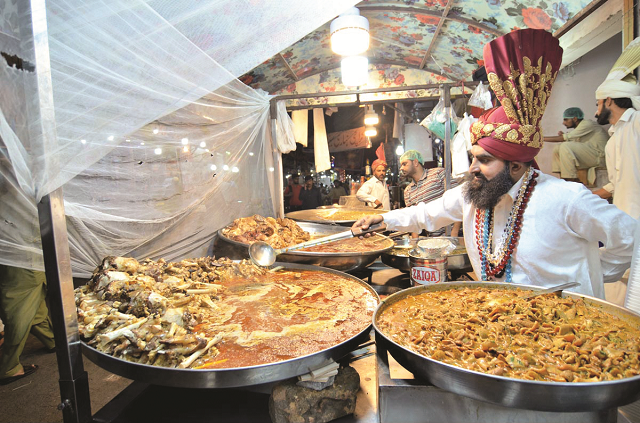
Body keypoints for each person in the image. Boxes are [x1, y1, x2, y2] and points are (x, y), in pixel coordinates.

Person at [351, 28, 635, 299]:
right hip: (497, 321)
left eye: (484, 160)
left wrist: (593, 274)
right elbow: (426, 213)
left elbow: (630, 238)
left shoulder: (565, 199)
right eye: (473, 157)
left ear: (516, 165)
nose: (473, 167)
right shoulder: (472, 195)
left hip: (566, 334)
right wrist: (384, 220)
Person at [592, 37, 640, 305]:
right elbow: (617, 181)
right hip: (623, 224)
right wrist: (589, 195)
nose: (595, 109)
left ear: (609, 100)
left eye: (597, 103)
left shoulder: (636, 124)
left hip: (637, 221)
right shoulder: (612, 139)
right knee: (617, 297)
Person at [0, 265, 56, 385]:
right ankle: (9, 367)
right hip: (21, 266)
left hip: (27, 263)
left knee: (34, 303)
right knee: (19, 312)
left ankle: (52, 340)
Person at [400, 150, 460, 237]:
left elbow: (458, 200)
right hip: (432, 240)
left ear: (416, 162)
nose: (401, 168)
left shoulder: (438, 174)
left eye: (404, 164)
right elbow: (414, 220)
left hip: (452, 235)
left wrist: (455, 232)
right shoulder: (408, 191)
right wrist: (415, 243)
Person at [545, 107, 609, 183]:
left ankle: (571, 179)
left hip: (601, 157)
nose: (563, 123)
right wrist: (564, 137)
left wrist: (539, 138)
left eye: (566, 119)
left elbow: (563, 139)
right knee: (557, 148)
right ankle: (563, 178)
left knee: (565, 146)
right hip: (592, 156)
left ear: (575, 119)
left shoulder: (587, 124)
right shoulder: (578, 128)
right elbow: (569, 139)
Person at [356, 144, 390, 210]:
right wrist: (374, 200)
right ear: (374, 172)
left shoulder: (384, 182)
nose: (381, 173)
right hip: (376, 216)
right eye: (379, 171)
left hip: (386, 215)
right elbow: (359, 194)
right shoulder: (370, 183)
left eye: (383, 170)